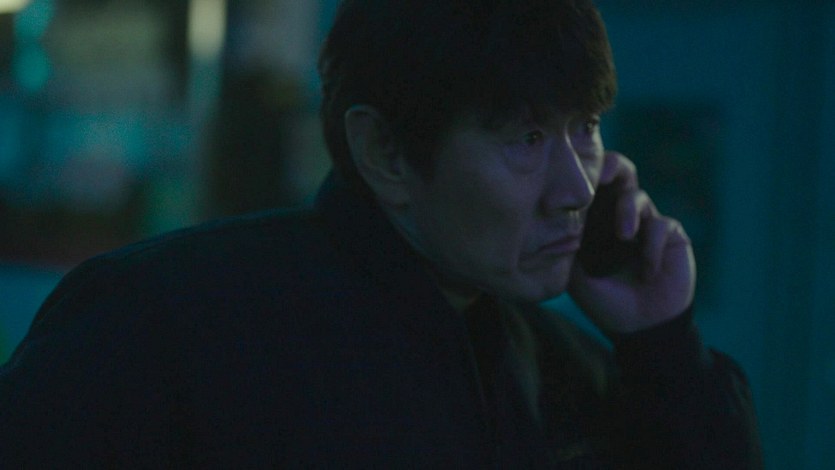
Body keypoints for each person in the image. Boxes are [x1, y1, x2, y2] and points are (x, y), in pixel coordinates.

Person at [0, 0, 763, 467]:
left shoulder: (560, 366)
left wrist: (662, 346)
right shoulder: (163, 324)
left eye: (585, 128)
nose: (576, 190)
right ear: (385, 153)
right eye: (525, 138)